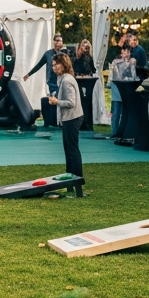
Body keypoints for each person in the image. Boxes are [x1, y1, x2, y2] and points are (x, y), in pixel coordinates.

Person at [47, 52, 84, 193]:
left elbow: (71, 102)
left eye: (56, 65)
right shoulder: (62, 78)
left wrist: (57, 102)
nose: (54, 68)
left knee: (72, 150)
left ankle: (77, 182)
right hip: (69, 118)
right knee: (68, 150)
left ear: (64, 64)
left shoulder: (67, 80)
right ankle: (71, 182)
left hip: (72, 118)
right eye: (53, 65)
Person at [73, 39, 97, 131]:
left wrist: (89, 74)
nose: (85, 48)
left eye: (87, 47)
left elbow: (93, 69)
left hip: (88, 81)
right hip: (78, 81)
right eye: (83, 46)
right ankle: (81, 123)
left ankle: (88, 123)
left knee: (88, 102)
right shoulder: (75, 57)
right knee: (81, 102)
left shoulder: (89, 57)